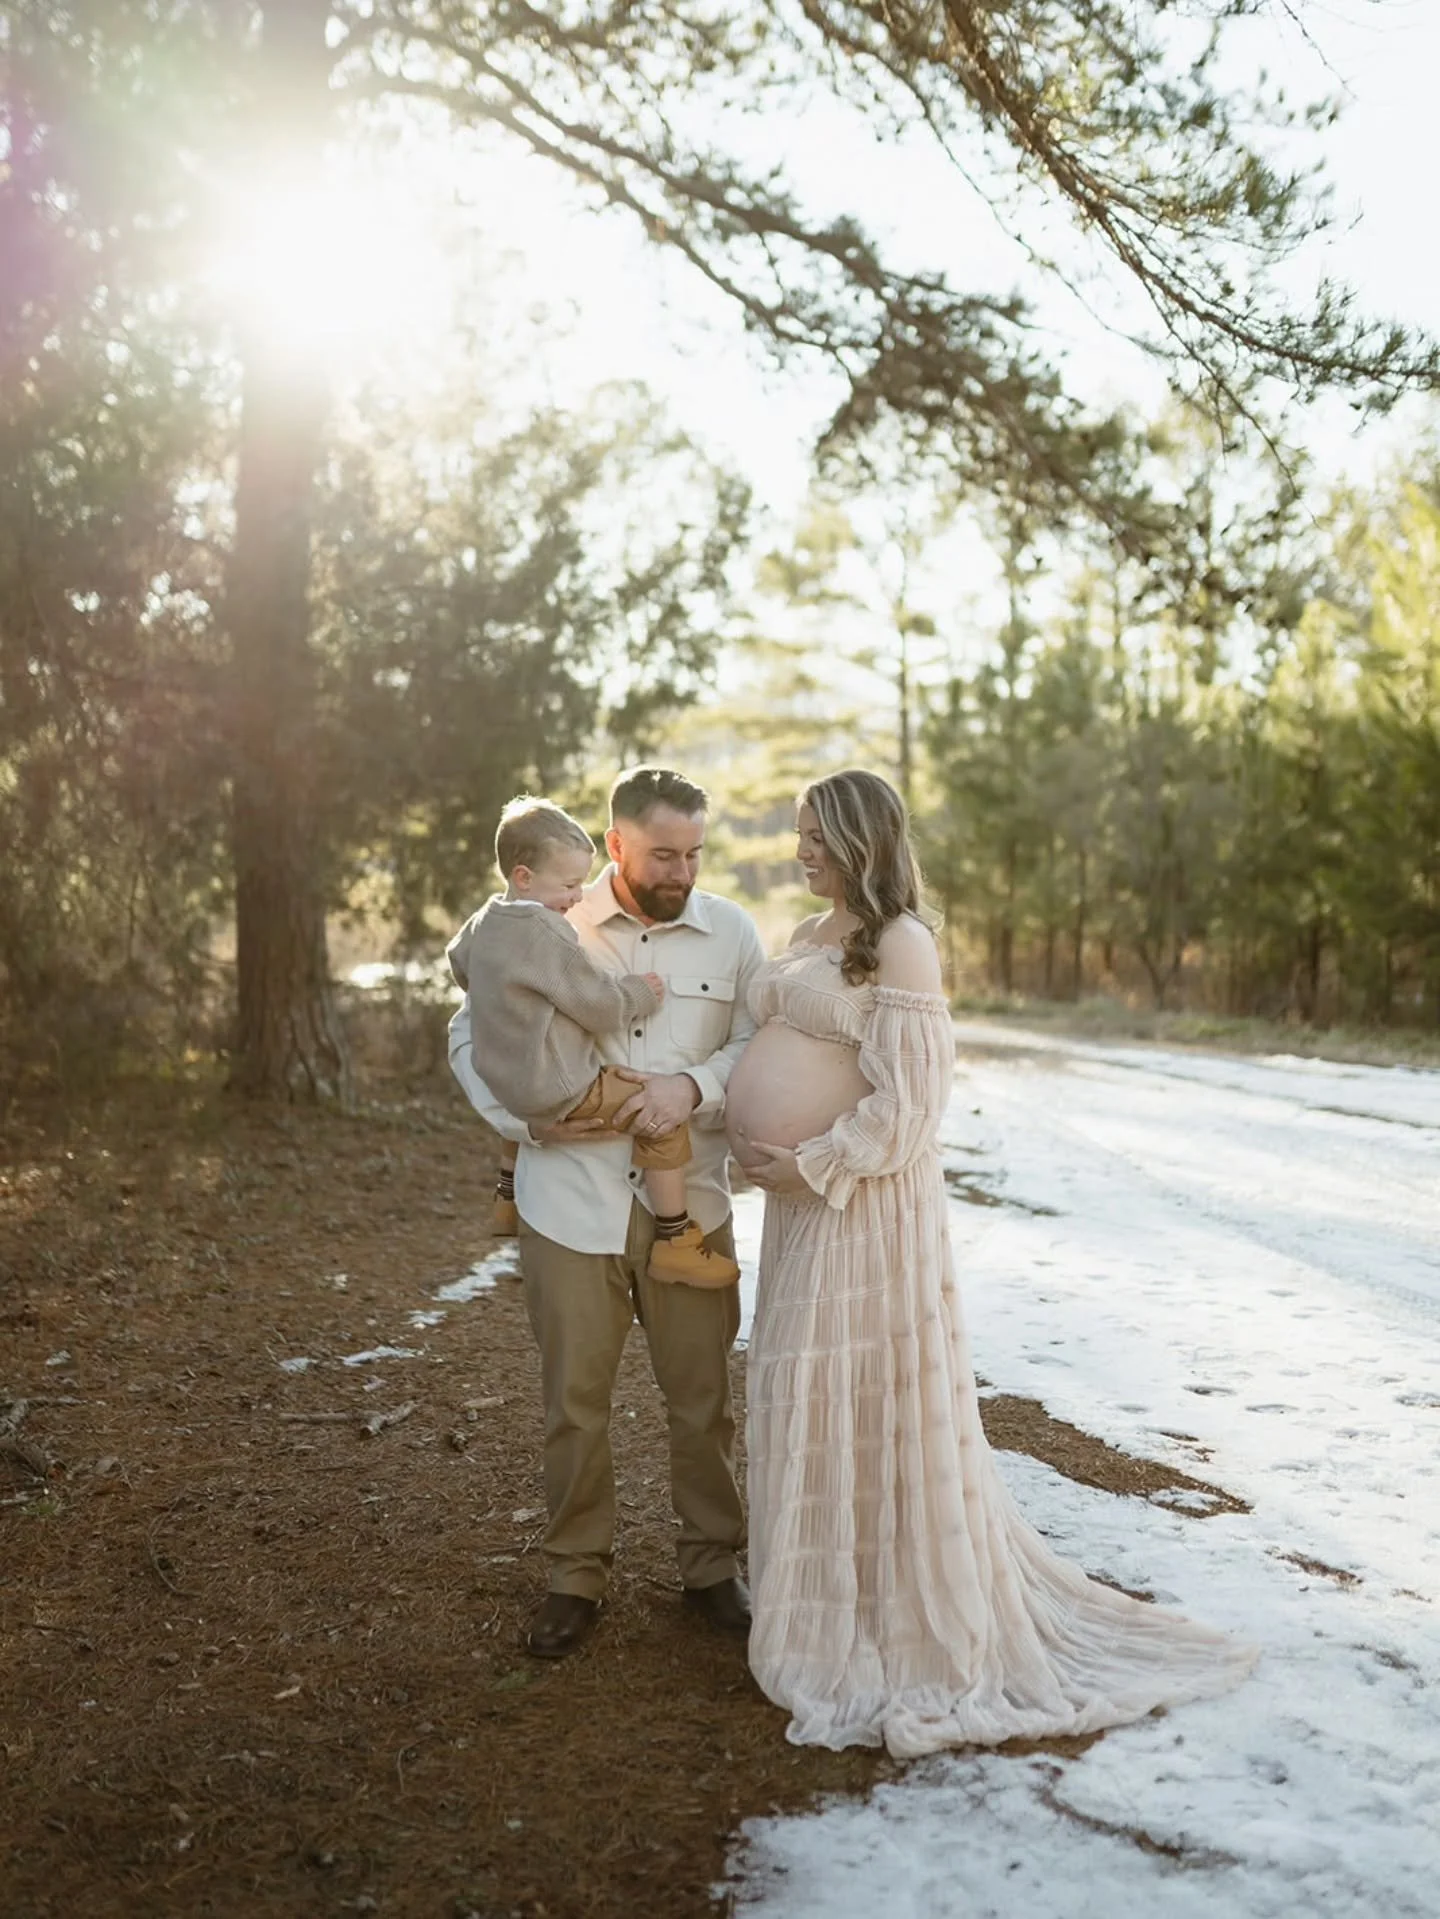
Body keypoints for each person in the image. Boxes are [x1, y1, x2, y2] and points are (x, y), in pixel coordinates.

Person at [728, 768, 1257, 1756]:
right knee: (802, 1383)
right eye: (797, 833)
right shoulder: (809, 938)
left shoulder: (902, 942)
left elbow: (910, 1109)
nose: (799, 850)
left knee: (864, 1391)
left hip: (863, 1212)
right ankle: (816, 1594)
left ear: (862, 840)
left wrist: (806, 1161)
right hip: (801, 1217)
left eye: (815, 836)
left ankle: (884, 1614)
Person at [449, 766, 766, 1659]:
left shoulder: (733, 932)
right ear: (615, 843)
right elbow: (468, 1033)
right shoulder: (545, 919)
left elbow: (754, 1042)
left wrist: (690, 1084)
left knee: (702, 1399)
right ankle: (574, 1575)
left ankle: (710, 1567)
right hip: (567, 1203)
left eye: (695, 852)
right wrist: (526, 1117)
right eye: (664, 852)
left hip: (689, 1199)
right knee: (573, 1402)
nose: (683, 869)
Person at [446, 795, 740, 1288]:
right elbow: (597, 1003)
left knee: (529, 1076)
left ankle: (505, 1198)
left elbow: (460, 965)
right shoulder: (549, 932)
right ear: (524, 877)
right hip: (560, 1091)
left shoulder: (484, 921)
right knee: (657, 1116)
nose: (576, 897)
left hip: (513, 1079)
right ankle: (675, 1241)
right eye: (568, 885)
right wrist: (639, 994)